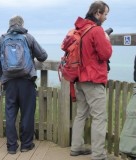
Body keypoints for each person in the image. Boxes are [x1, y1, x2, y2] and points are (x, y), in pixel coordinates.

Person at [0, 15, 48, 154]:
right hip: (26, 80)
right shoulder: (28, 37)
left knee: (10, 113)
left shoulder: (1, 39)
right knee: (27, 113)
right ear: (21, 24)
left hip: (9, 81)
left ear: (9, 25)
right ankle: (26, 145)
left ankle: (11, 147)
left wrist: (2, 75)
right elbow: (43, 56)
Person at [70, 1, 112, 160]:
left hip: (79, 79)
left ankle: (76, 147)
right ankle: (99, 155)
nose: (106, 18)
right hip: (93, 79)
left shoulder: (80, 29)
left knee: (81, 114)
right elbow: (105, 54)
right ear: (97, 13)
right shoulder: (96, 30)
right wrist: (106, 39)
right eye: (105, 14)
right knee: (100, 117)